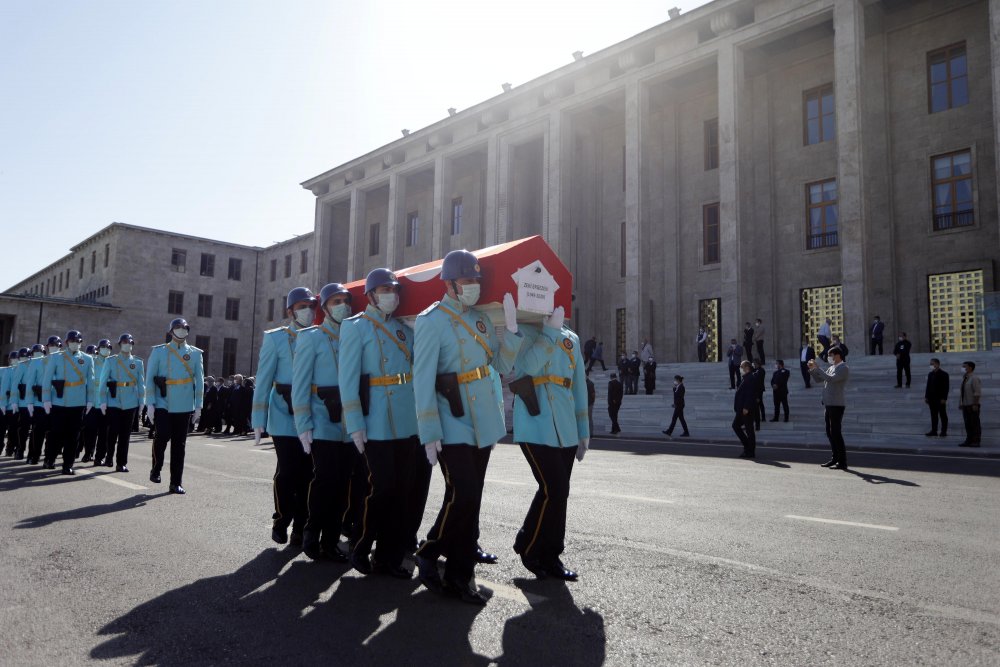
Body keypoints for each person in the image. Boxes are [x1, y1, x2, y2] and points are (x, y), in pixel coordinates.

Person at [413, 251, 522, 603]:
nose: (473, 287)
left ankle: (437, 558)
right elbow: (423, 379)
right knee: (466, 495)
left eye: (477, 281)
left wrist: (513, 332)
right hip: (452, 419)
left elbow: (499, 365)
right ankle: (450, 569)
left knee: (464, 499)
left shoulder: (480, 321)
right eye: (466, 281)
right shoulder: (431, 321)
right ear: (449, 284)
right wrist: (429, 432)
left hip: (482, 421)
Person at [340, 268, 419, 580]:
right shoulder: (355, 328)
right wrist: (355, 423)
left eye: (394, 290)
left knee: (402, 490)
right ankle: (361, 544)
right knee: (382, 486)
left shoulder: (403, 330)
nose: (391, 296)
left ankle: (388, 557)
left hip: (405, 418)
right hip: (376, 420)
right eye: (385, 290)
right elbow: (347, 379)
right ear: (371, 295)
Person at [506, 304, 587, 584]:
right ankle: (532, 551)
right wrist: (550, 333)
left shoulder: (572, 338)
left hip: (565, 427)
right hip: (535, 423)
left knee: (555, 492)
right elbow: (525, 368)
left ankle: (545, 551)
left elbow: (578, 386)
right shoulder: (525, 332)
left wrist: (583, 430)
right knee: (555, 487)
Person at [292, 282, 357, 562]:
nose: (342, 306)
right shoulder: (311, 337)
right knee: (325, 479)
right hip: (321, 419)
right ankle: (311, 531)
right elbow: (300, 384)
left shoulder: (355, 335)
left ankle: (330, 541)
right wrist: (303, 423)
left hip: (350, 422)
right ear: (326, 308)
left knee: (344, 484)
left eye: (345, 300)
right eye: (335, 301)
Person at [254, 287, 317, 547]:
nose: (308, 311)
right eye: (302, 307)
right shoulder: (276, 339)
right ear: (290, 311)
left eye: (311, 306)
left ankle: (301, 527)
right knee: (288, 470)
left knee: (308, 473)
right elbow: (263, 380)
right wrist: (258, 419)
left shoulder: (318, 336)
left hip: (312, 413)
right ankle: (282, 519)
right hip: (282, 413)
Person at [145, 318, 205, 494]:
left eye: (184, 327)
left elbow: (200, 381)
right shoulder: (159, 352)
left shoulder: (195, 354)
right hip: (163, 401)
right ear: (171, 331)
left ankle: (175, 482)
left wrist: (199, 406)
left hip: (185, 403)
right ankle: (156, 468)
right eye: (178, 327)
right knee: (162, 435)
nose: (181, 330)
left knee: (179, 445)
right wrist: (150, 403)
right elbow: (150, 378)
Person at [41, 330, 96, 474]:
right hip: (59, 401)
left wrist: (90, 400)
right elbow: (47, 379)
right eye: (72, 341)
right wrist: (46, 399)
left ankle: (68, 465)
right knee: (56, 434)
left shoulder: (87, 359)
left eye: (77, 341)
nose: (75, 344)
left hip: (77, 403)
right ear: (66, 343)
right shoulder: (56, 357)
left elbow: (91, 381)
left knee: (73, 436)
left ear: (81, 343)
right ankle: (50, 459)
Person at [98, 333, 146, 472]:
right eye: (124, 342)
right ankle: (109, 457)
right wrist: (102, 401)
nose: (127, 345)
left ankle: (121, 463)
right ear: (120, 344)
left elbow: (141, 383)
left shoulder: (137, 362)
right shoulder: (111, 361)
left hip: (130, 401)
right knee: (112, 432)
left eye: (129, 342)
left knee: (125, 435)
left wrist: (142, 401)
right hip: (114, 401)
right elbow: (103, 382)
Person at [808, 346, 850, 470]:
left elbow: (831, 379)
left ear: (837, 355)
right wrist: (812, 370)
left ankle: (843, 461)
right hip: (828, 403)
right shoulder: (831, 367)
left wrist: (818, 367)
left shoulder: (844, 368)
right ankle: (835, 458)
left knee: (836, 433)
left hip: (837, 404)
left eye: (830, 355)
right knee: (830, 432)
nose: (829, 358)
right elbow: (819, 379)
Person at [81, 338, 113, 463]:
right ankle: (88, 452)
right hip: (92, 402)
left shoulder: (113, 362)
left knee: (104, 433)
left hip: (107, 403)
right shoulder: (92, 362)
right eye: (103, 347)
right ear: (98, 349)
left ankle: (100, 456)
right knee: (89, 431)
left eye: (108, 348)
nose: (106, 350)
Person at [9, 348, 32, 460]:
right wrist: (14, 401)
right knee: (23, 428)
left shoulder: (40, 363)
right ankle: (20, 449)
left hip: (38, 401)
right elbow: (15, 384)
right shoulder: (22, 366)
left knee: (37, 429)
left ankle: (33, 453)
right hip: (23, 402)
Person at [732, 361, 756, 459]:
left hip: (746, 409)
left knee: (749, 430)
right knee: (736, 426)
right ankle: (747, 447)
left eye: (741, 366)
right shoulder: (746, 378)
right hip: (741, 409)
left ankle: (750, 451)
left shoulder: (751, 378)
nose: (740, 368)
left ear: (746, 367)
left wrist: (746, 407)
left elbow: (750, 394)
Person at [958, 361, 982, 447]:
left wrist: (975, 404)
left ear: (970, 368)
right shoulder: (965, 378)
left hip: (972, 405)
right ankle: (969, 440)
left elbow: (977, 392)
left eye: (964, 367)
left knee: (975, 424)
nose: (963, 368)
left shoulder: (974, 378)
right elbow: (963, 392)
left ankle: (976, 441)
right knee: (967, 424)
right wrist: (961, 403)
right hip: (966, 405)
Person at [924, 358, 949, 438]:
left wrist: (944, 398)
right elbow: (928, 386)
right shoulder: (930, 374)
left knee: (942, 415)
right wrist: (926, 397)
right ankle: (934, 431)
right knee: (933, 415)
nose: (931, 365)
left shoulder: (944, 374)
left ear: (937, 364)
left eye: (932, 364)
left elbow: (946, 387)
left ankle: (943, 431)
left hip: (940, 398)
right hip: (931, 399)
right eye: (930, 364)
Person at [751, 359, 766, 431]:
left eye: (754, 363)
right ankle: (755, 417)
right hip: (754, 390)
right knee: (756, 404)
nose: (753, 364)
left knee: (760, 403)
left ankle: (763, 417)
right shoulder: (755, 370)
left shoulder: (761, 370)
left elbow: (758, 379)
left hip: (759, 390)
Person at [585, 370, 595, 436]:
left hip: (589, 404)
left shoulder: (590, 383)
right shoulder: (580, 382)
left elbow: (593, 394)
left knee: (589, 418)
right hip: (583, 404)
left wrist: (591, 402)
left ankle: (591, 433)